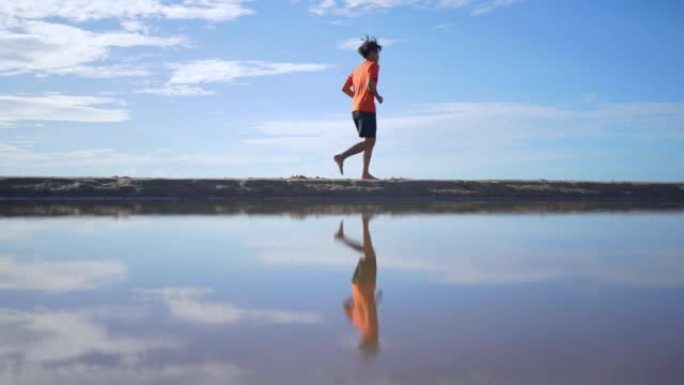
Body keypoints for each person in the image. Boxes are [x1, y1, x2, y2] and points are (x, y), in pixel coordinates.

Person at [334, 36, 384, 180]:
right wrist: (378, 96)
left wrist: (357, 97)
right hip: (366, 108)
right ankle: (341, 157)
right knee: (369, 141)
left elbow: (344, 88)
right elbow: (370, 84)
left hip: (355, 109)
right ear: (371, 53)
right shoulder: (373, 66)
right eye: (377, 53)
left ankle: (365, 173)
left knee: (370, 141)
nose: (379, 56)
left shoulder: (357, 70)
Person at [335, 214, 382, 357]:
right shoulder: (357, 324)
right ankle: (342, 237)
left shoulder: (371, 330)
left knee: (370, 255)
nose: (378, 342)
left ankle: (365, 221)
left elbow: (369, 310)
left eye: (375, 345)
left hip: (366, 284)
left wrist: (371, 299)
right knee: (367, 252)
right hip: (355, 285)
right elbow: (345, 305)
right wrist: (361, 297)